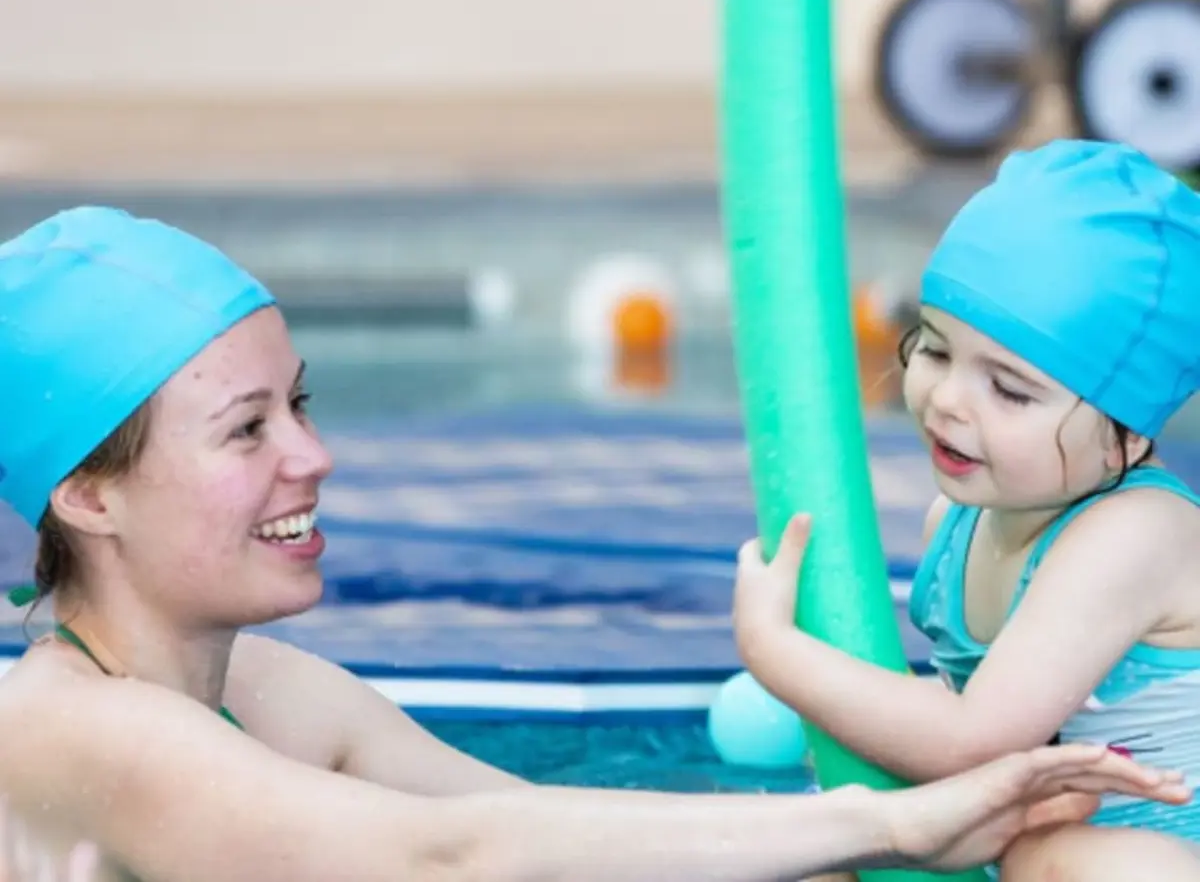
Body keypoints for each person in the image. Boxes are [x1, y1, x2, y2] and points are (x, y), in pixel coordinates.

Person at [0, 206, 1186, 882]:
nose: (312, 458)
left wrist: (826, 855)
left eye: (299, 406)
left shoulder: (264, 692)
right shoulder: (81, 732)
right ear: (87, 498)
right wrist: (889, 822)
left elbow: (541, 827)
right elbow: (449, 858)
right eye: (246, 429)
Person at [733, 138, 1200, 881]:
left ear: (1126, 435)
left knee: (1104, 864)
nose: (948, 401)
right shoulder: (952, 531)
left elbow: (971, 739)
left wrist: (776, 652)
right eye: (937, 349)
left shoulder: (1135, 534)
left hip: (1154, 856)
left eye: (1009, 390)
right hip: (1011, 847)